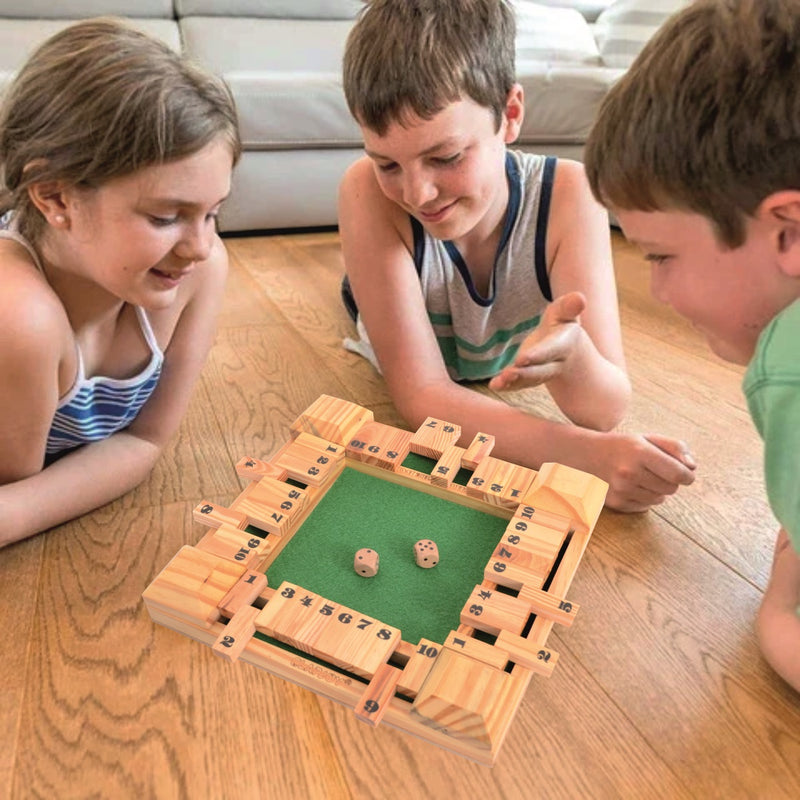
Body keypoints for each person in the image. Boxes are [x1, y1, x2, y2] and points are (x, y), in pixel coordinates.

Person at [337, 0, 696, 513]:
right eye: (387, 163)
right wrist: (581, 458)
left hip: (479, 322)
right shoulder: (365, 193)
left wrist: (574, 357)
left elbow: (604, 409)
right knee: (364, 289)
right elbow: (422, 395)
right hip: (410, 298)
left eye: (446, 157)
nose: (418, 194)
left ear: (510, 115)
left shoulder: (570, 194)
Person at [583, 0, 800, 691]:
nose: (658, 292)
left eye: (658, 257)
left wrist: (780, 619)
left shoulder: (789, 367)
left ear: (788, 233)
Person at [0, 18, 240, 548]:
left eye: (212, 213)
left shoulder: (200, 268)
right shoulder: (19, 316)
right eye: (165, 217)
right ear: (56, 198)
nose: (199, 246)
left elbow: (145, 442)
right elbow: (14, 491)